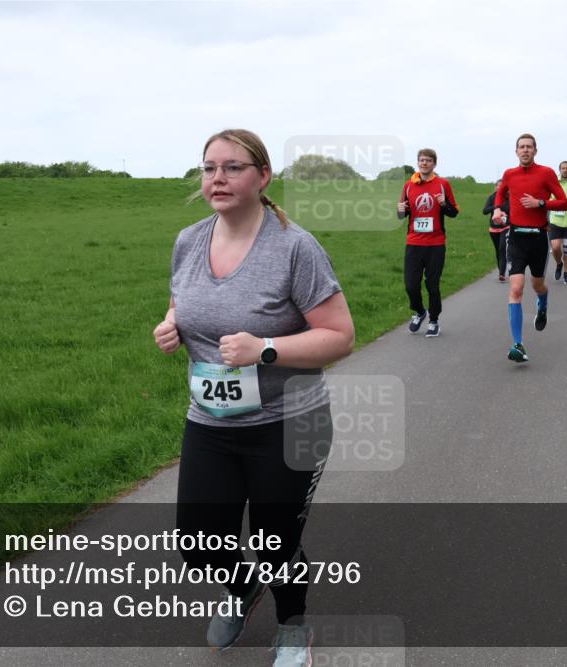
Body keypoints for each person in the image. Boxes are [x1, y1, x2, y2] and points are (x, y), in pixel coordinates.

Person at [153, 129, 355, 667]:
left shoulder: (294, 247)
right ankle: (244, 593)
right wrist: (172, 325)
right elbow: (184, 302)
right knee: (198, 545)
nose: (217, 178)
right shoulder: (189, 240)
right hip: (211, 420)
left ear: (262, 177)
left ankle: (292, 627)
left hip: (290, 422)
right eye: (209, 167)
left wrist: (264, 348)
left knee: (275, 543)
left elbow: (339, 336)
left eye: (232, 167)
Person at [492, 133, 567, 362]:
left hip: (538, 238)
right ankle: (518, 344)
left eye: (529, 147)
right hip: (516, 237)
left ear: (535, 150)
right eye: (521, 147)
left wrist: (541, 203)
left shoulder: (546, 173)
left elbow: (564, 202)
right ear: (516, 151)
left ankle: (543, 303)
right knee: (516, 288)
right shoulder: (509, 174)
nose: (525, 150)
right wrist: (498, 210)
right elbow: (500, 194)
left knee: (538, 284)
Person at [397, 148, 460, 337]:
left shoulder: (443, 184)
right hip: (414, 242)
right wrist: (400, 210)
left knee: (432, 285)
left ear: (434, 164)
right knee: (411, 285)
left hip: (436, 243)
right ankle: (419, 312)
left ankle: (434, 320)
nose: (424, 163)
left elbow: (454, 212)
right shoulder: (409, 186)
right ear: (418, 163)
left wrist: (444, 204)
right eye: (421, 160)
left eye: (428, 161)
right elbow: (402, 215)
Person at [482, 179, 510, 282]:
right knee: (498, 251)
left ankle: (501, 274)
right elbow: (484, 211)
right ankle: (501, 270)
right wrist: (496, 207)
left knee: (502, 249)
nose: (500, 187)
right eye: (498, 185)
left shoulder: (509, 197)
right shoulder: (492, 197)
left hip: (506, 227)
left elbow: (513, 211)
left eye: (502, 186)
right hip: (493, 229)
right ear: (495, 187)